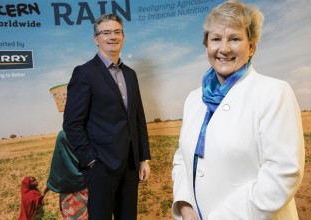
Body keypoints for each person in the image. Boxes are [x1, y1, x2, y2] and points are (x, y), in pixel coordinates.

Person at [172, 1, 305, 220]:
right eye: (216, 39)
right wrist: (186, 208)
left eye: (234, 38)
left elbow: (283, 175)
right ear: (207, 46)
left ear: (251, 46)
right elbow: (182, 159)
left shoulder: (274, 92)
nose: (224, 48)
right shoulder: (194, 99)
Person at [63, 13, 151, 220]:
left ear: (123, 36)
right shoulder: (84, 73)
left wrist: (143, 158)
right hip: (101, 167)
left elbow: (138, 118)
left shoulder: (131, 74)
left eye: (117, 32)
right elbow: (72, 124)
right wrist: (91, 161)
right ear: (96, 39)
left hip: (130, 165)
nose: (113, 37)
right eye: (106, 32)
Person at [46, 130, 88, 219]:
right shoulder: (92, 131)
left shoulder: (63, 135)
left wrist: (50, 184)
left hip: (69, 190)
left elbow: (58, 163)